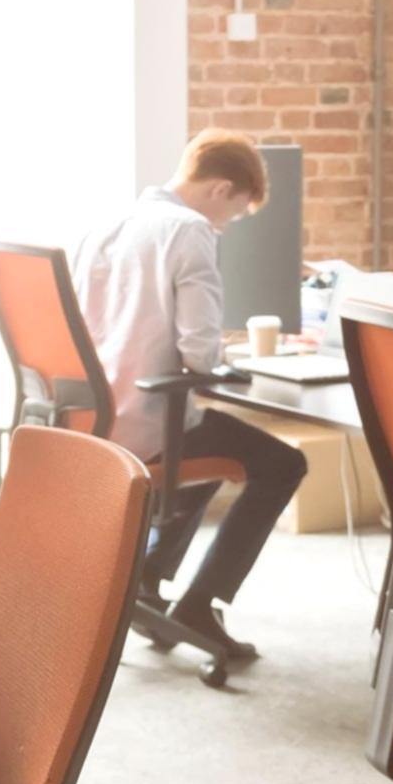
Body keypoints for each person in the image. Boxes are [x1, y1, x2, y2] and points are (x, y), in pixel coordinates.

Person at [72, 128, 307, 657]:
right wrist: (228, 359)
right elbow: (199, 353)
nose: (228, 224)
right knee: (283, 463)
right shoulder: (190, 230)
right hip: (144, 423)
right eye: (236, 212)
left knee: (213, 442)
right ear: (222, 189)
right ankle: (201, 605)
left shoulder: (105, 225)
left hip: (87, 421)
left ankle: (149, 577)